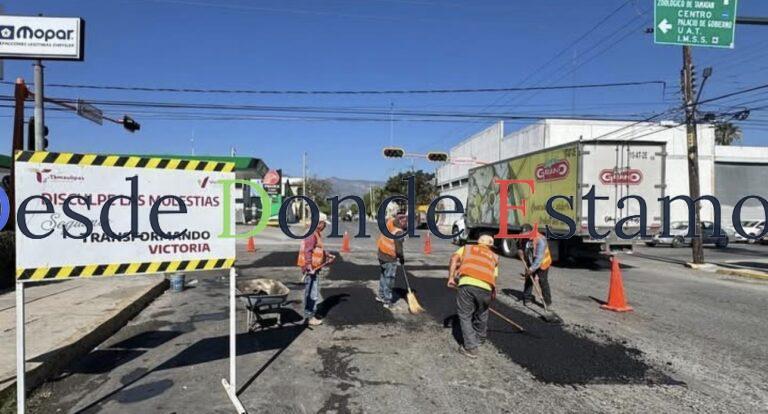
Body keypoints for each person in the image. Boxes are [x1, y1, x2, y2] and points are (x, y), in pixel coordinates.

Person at [448, 234, 499, 358]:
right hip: (486, 288)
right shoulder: (494, 256)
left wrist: (451, 277)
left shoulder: (467, 248)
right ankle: (480, 338)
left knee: (465, 315)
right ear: (490, 245)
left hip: (468, 285)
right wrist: (493, 291)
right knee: (482, 313)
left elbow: (454, 259)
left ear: (478, 242)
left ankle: (471, 347)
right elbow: (494, 276)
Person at [297, 220, 335, 326]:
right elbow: (308, 250)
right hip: (310, 269)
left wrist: (327, 255)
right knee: (311, 292)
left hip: (315, 267)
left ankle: (310, 313)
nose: (325, 226)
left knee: (313, 291)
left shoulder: (316, 233)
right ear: (319, 223)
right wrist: (309, 266)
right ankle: (309, 316)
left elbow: (317, 249)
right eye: (324, 224)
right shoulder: (311, 234)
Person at [517, 223, 553, 308]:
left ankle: (547, 302)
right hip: (530, 260)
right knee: (529, 280)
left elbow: (539, 258)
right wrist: (520, 250)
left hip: (542, 263)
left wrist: (531, 269)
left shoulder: (541, 239)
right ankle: (527, 299)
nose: (524, 236)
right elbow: (520, 245)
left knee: (543, 281)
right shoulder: (523, 237)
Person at [376, 213, 407, 308]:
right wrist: (401, 258)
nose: (407, 225)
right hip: (389, 257)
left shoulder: (390, 222)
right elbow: (398, 250)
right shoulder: (399, 232)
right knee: (389, 278)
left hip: (381, 253)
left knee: (383, 274)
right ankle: (387, 300)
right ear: (401, 221)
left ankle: (381, 295)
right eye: (406, 222)